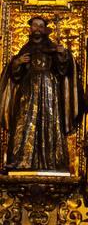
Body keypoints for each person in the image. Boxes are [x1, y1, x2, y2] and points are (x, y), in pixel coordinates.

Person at [0, 17, 83, 171]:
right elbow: (15, 76)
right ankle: (20, 161)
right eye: (34, 26)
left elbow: (62, 70)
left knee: (49, 123)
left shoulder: (52, 47)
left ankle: (52, 163)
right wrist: (17, 63)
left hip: (49, 89)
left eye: (40, 26)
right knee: (23, 123)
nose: (37, 28)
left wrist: (63, 54)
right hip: (28, 90)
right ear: (30, 29)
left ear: (45, 29)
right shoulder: (25, 49)